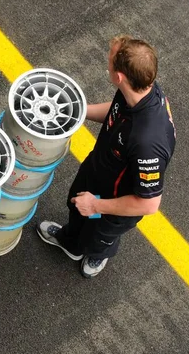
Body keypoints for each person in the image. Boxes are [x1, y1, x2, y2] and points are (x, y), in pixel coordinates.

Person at [36, 35, 176, 279]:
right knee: (76, 209)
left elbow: (149, 203)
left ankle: (98, 253)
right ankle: (70, 243)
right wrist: (77, 112)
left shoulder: (146, 143)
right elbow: (114, 111)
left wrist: (96, 205)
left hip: (113, 204)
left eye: (109, 60)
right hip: (98, 171)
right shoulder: (141, 89)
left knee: (98, 236)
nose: (107, 64)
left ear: (119, 76)